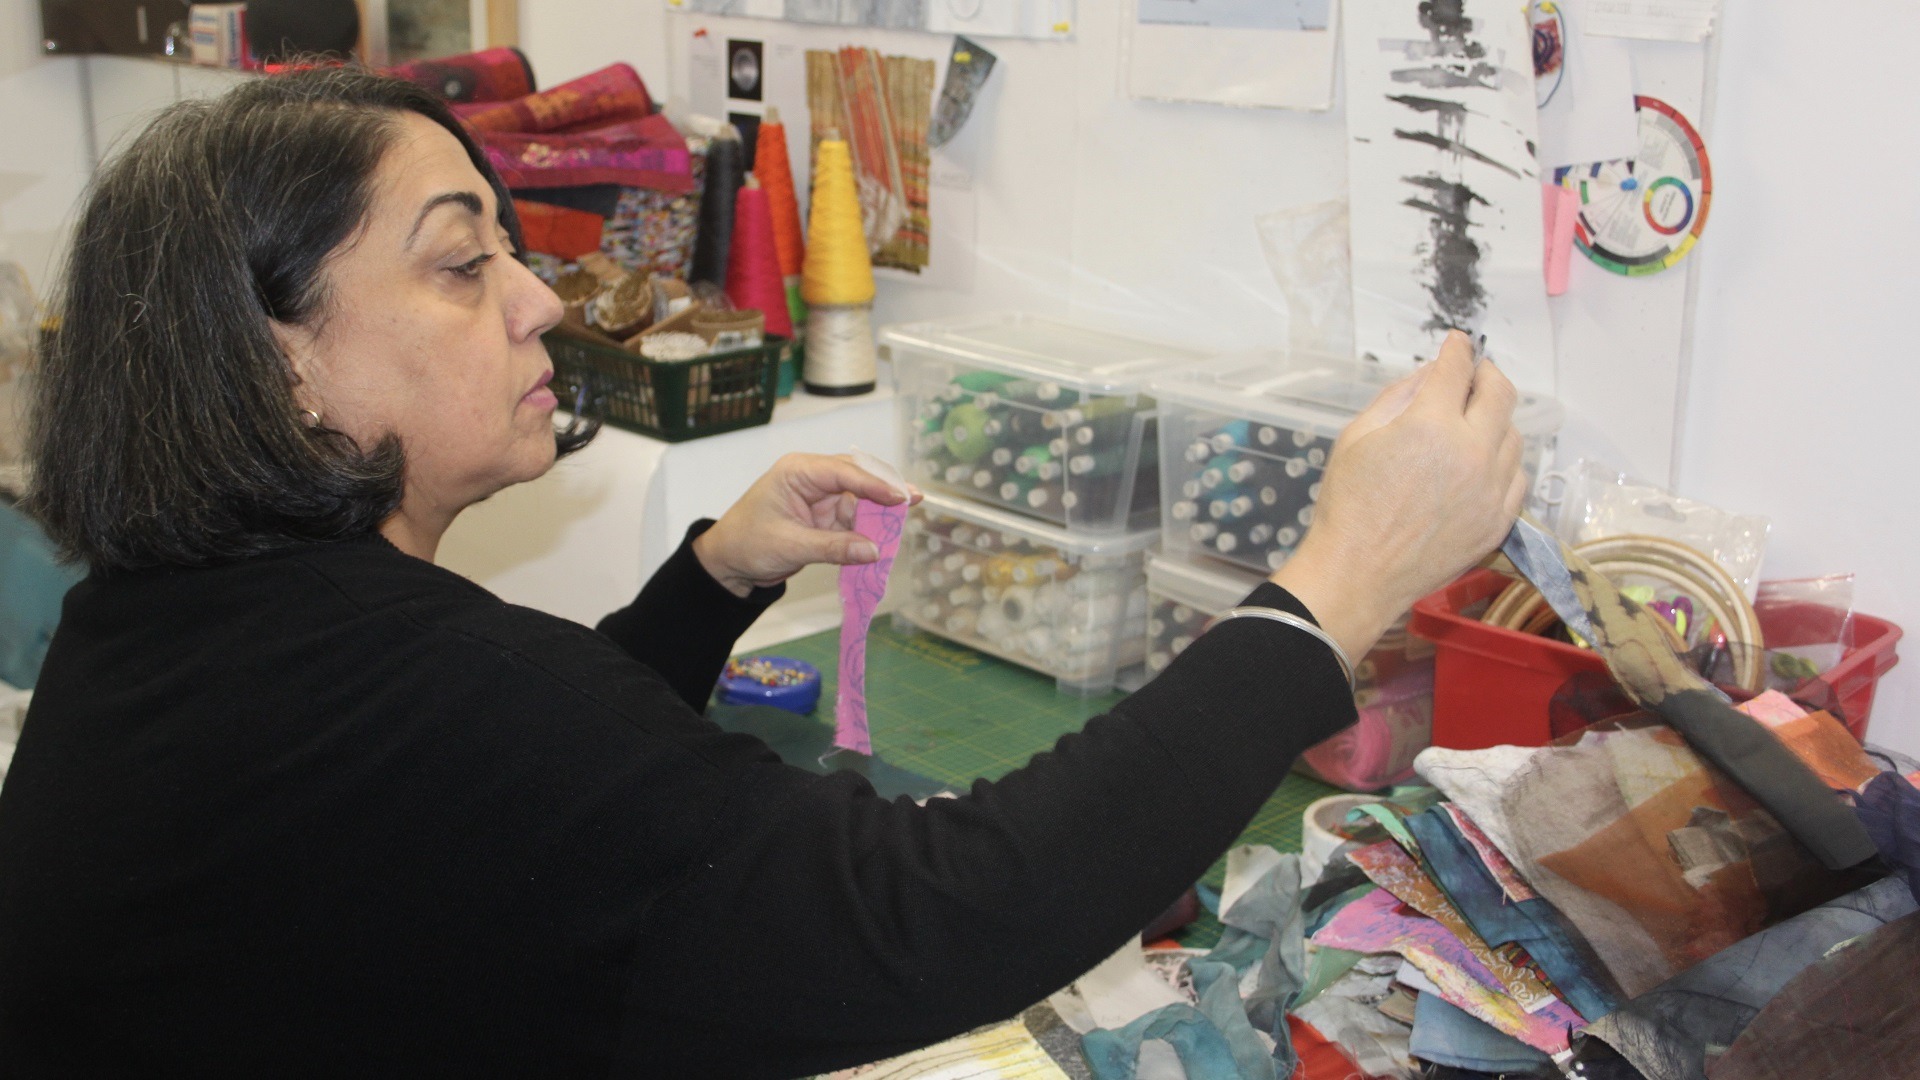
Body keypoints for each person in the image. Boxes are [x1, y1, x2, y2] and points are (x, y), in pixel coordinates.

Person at [0, 68, 1526, 1077]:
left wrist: (714, 578)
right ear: (279, 375)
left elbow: (505, 812)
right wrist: (1334, 582)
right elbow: (940, 915)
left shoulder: (168, 627)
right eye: (465, 265)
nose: (541, 298)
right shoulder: (415, 683)